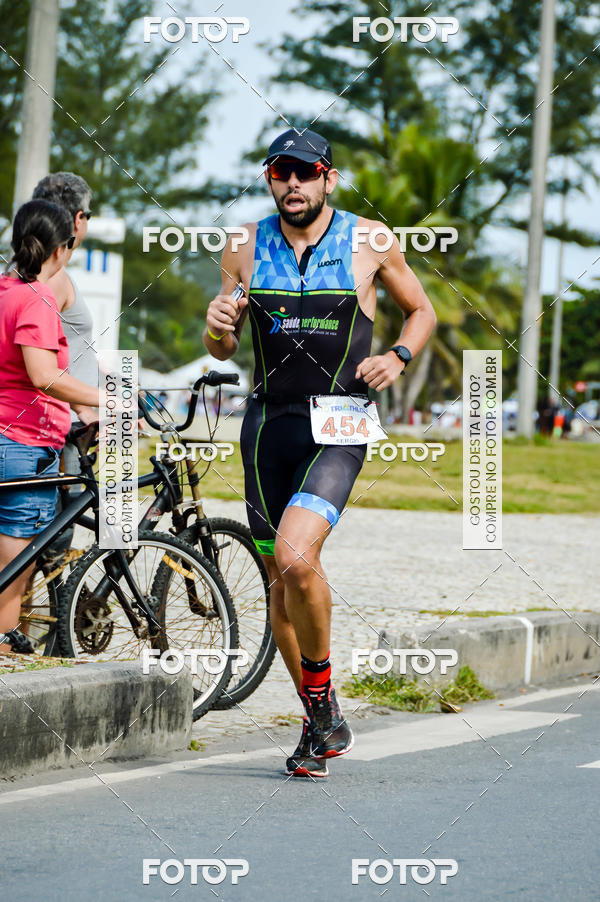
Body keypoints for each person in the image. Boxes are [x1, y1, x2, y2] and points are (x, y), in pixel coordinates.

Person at [203, 129, 436, 777]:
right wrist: (217, 327)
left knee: (296, 557)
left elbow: (422, 311)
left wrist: (398, 354)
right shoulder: (243, 245)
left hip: (339, 424)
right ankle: (319, 718)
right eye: (281, 172)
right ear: (270, 178)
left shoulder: (370, 240)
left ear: (329, 178)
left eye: (306, 172)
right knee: (280, 584)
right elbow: (221, 345)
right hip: (265, 429)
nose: (293, 184)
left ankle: (321, 707)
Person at [0, 200, 100, 654]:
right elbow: (43, 375)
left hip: (7, 438)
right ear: (62, 249)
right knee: (10, 587)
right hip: (22, 445)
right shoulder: (38, 297)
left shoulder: (4, 290)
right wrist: (112, 399)